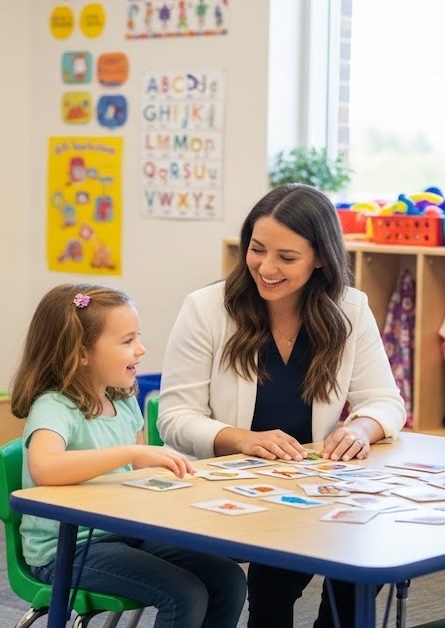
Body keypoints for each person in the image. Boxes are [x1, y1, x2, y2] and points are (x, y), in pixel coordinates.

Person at [157, 183, 406, 628]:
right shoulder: (207, 309)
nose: (266, 267)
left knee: (360, 561)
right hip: (223, 492)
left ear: (321, 258)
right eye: (257, 249)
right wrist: (243, 440)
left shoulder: (349, 308)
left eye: (286, 258)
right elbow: (175, 417)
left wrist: (360, 428)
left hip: (309, 487)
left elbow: (385, 401)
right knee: (280, 568)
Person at [9, 283, 247, 627]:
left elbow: (137, 473)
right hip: (66, 549)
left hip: (122, 533)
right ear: (81, 352)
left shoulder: (122, 402)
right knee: (184, 593)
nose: (141, 349)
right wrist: (132, 451)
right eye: (127, 341)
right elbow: (45, 468)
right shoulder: (55, 406)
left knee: (227, 578)